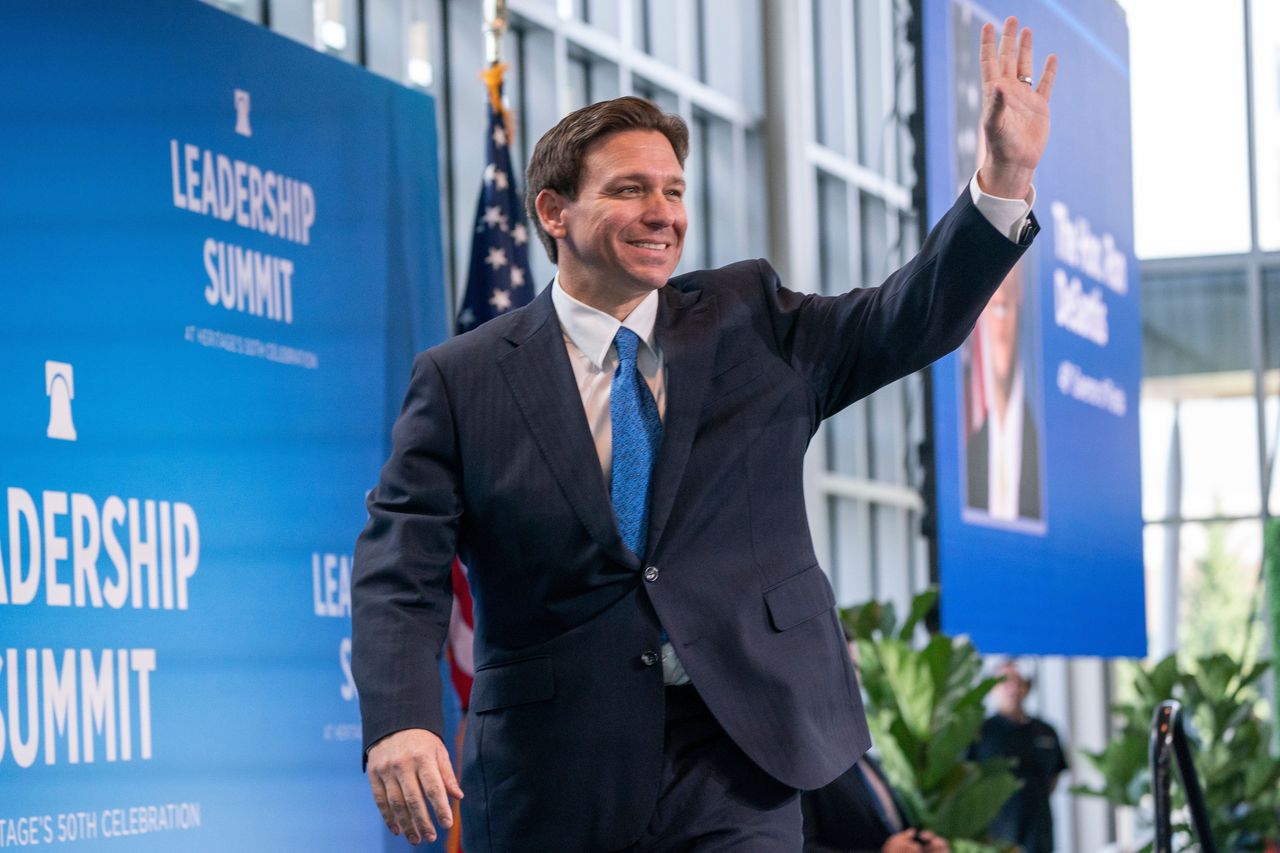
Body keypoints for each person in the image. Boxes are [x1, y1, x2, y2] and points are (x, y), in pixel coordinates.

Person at [352, 17, 1057, 851]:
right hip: (554, 768)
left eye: (675, 191)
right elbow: (401, 566)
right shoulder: (462, 378)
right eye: (630, 190)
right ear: (553, 211)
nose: (663, 214)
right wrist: (401, 719)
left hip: (739, 751)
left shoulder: (750, 318)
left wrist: (1002, 178)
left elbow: (907, 319)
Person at [802, 632, 951, 853]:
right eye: (839, 665)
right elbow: (799, 847)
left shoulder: (856, 751)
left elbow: (889, 833)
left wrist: (921, 845)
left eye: (855, 666)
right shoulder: (801, 757)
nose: (852, 677)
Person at [964, 259, 1043, 521]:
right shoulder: (968, 448)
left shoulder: (1044, 449)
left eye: (1005, 304)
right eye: (993, 302)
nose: (1000, 296)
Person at [971, 661, 1068, 853]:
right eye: (1005, 682)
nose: (1012, 689)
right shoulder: (980, 732)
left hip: (1038, 829)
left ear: (1027, 687)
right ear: (992, 688)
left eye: (1018, 682)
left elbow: (1054, 776)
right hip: (996, 831)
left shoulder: (1045, 731)